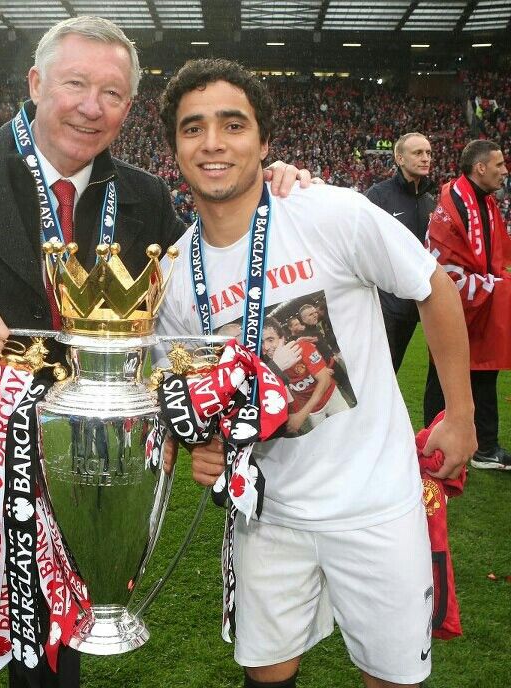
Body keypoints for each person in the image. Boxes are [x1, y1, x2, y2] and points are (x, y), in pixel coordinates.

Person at [0, 17, 307, 688]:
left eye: (112, 93)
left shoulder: (141, 197)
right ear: (35, 83)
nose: (91, 107)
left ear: (128, 107)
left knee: (54, 674)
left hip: (80, 491)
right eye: (75, 84)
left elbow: (208, 282)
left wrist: (271, 181)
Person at [157, 58, 477, 688]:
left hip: (376, 503)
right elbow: (195, 392)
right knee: (266, 674)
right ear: (175, 148)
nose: (213, 142)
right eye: (193, 128)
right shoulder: (173, 274)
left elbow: (432, 286)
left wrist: (461, 414)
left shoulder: (328, 212)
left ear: (264, 142)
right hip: (266, 515)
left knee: (391, 677)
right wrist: (204, 443)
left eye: (233, 125)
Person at [424, 139, 511, 471]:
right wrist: (494, 285)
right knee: (443, 375)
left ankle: (485, 447)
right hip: (456, 304)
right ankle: (433, 446)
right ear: (480, 167)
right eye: (499, 164)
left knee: (485, 373)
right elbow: (444, 266)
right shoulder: (453, 206)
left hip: (481, 302)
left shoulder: (484, 202)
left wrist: (492, 283)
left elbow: (494, 254)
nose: (504, 171)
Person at [365, 133, 436, 373]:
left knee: (393, 372)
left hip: (415, 305)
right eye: (418, 153)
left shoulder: (429, 201)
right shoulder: (378, 195)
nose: (425, 158)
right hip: (384, 305)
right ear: (399, 158)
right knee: (378, 374)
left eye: (428, 153)